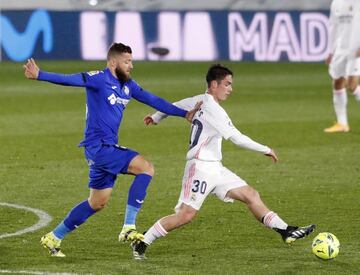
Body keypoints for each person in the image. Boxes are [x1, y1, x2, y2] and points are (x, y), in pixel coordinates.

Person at [23, 43, 200, 257]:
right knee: (146, 168)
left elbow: (153, 99)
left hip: (102, 150)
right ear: (114, 62)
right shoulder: (99, 78)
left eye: (131, 61)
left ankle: (53, 237)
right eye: (127, 61)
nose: (131, 66)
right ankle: (128, 227)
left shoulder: (128, 85)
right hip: (99, 147)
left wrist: (183, 114)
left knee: (97, 202)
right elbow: (71, 79)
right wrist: (40, 74)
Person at [131, 64, 316, 260]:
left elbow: (175, 105)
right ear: (214, 84)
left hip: (215, 168)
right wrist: (266, 149)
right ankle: (142, 241)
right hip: (200, 167)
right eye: (227, 84)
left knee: (251, 194)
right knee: (185, 215)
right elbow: (236, 137)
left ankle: (285, 230)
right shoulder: (213, 109)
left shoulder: (199, 100)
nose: (230, 89)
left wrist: (156, 116)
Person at [324, 0, 360, 133]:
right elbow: (333, 27)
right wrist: (331, 51)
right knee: (337, 82)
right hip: (341, 49)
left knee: (352, 85)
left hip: (356, 49)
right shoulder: (336, 3)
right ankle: (342, 123)